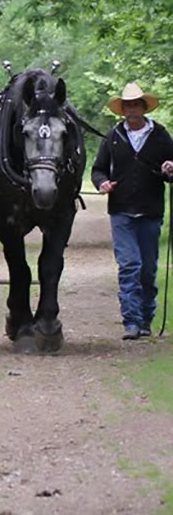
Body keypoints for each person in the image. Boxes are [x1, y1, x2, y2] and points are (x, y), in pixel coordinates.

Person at [91, 82, 173, 340]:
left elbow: (171, 169)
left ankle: (146, 317)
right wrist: (102, 183)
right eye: (127, 106)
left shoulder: (160, 136)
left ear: (144, 107)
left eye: (136, 105)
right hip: (121, 210)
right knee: (129, 266)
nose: (132, 110)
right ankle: (131, 321)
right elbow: (98, 169)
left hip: (150, 211)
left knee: (147, 270)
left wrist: (170, 168)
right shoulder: (113, 137)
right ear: (122, 110)